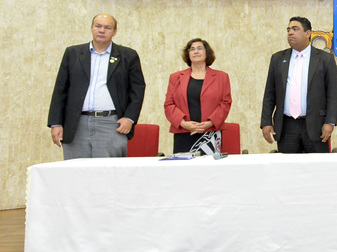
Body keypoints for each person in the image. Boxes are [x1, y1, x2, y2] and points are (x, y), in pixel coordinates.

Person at [47, 14, 146, 159]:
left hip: (111, 124)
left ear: (115, 31)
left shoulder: (128, 56)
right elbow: (60, 90)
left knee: (108, 171)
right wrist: (56, 123)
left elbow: (138, 89)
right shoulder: (73, 53)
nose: (101, 30)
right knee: (76, 170)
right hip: (76, 124)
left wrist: (129, 118)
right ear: (91, 28)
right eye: (98, 26)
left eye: (107, 28)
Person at [261, 16, 337, 153]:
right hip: (286, 127)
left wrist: (330, 122)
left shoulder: (325, 59)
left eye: (295, 29)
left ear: (308, 33)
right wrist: (266, 122)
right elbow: (270, 94)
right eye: (288, 30)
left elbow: (332, 94)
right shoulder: (278, 59)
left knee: (318, 166)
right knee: (288, 166)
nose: (290, 33)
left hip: (316, 126)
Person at [164, 38, 232, 153]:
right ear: (188, 54)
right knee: (184, 165)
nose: (196, 51)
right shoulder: (175, 77)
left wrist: (210, 123)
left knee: (210, 165)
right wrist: (184, 123)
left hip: (210, 133)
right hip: (184, 132)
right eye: (192, 49)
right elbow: (169, 105)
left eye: (200, 48)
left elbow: (226, 103)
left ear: (207, 53)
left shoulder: (222, 77)